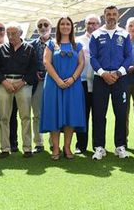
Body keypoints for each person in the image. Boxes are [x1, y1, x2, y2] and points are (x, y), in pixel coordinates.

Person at [89, 5, 132, 160]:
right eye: (108, 14)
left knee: (121, 114)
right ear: (104, 16)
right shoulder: (96, 34)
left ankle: (120, 146)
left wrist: (119, 72)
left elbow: (129, 57)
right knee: (99, 114)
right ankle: (99, 147)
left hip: (120, 79)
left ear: (118, 16)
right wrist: (103, 73)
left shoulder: (124, 34)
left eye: (114, 14)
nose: (111, 16)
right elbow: (92, 57)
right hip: (101, 79)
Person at [41, 16, 86, 160]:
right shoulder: (51, 44)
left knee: (70, 114)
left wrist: (72, 79)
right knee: (54, 114)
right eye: (62, 24)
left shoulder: (77, 45)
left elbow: (81, 63)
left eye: (68, 24)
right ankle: (55, 148)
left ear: (72, 27)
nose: (65, 26)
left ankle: (67, 147)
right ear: (58, 27)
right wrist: (59, 80)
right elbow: (46, 63)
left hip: (73, 85)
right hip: (54, 85)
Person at [0, 23, 38, 158]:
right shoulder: (1, 49)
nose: (10, 36)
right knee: (4, 117)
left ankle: (27, 148)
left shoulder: (29, 49)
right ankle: (5, 149)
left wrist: (22, 82)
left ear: (20, 34)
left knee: (25, 117)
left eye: (13, 33)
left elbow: (33, 69)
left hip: (23, 84)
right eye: (8, 33)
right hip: (4, 84)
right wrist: (4, 82)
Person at [0, 22, 19, 153]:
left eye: (1, 29)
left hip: (10, 87)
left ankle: (13, 142)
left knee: (12, 116)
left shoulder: (11, 45)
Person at [75, 14, 100, 154]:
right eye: (89, 23)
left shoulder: (103, 40)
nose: (92, 25)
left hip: (98, 82)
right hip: (82, 82)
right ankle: (81, 145)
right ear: (85, 24)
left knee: (98, 115)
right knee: (82, 115)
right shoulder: (78, 41)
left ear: (99, 25)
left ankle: (98, 145)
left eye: (95, 23)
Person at [28, 17, 52, 153]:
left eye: (45, 24)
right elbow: (27, 64)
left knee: (52, 113)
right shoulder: (31, 45)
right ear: (37, 28)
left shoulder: (57, 44)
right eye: (40, 25)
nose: (43, 27)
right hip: (37, 84)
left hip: (53, 83)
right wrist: (34, 73)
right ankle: (38, 143)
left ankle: (53, 143)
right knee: (36, 114)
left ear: (50, 26)